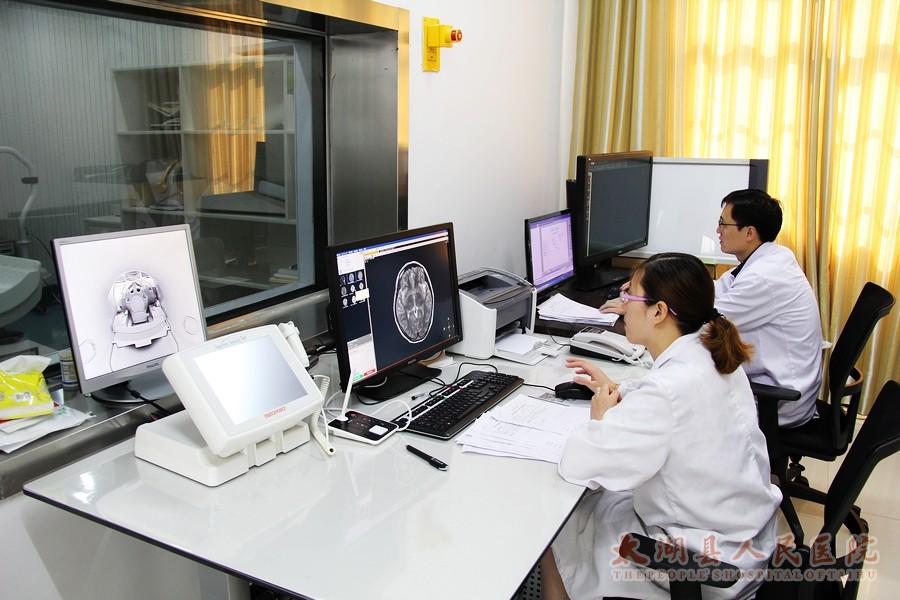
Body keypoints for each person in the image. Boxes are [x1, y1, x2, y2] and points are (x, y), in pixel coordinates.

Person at [542, 252, 781, 600]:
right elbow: (674, 405)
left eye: (630, 295)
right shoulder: (712, 352)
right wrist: (620, 390)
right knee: (604, 502)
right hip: (742, 538)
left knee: (555, 525)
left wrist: (601, 418)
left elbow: (580, 464)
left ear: (659, 312)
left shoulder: (667, 390)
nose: (623, 304)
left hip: (698, 562)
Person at [600, 189, 823, 427]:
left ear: (749, 232)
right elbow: (713, 291)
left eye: (723, 224)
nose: (718, 230)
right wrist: (649, 291)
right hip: (765, 381)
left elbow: (702, 314)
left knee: (665, 412)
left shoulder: (764, 278)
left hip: (775, 401)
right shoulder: (769, 258)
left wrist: (640, 303)